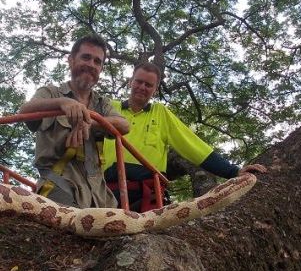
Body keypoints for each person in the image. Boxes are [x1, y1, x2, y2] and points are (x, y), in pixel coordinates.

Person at [103, 62, 266, 211]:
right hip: (104, 191)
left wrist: (233, 171)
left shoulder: (160, 113)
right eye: (139, 81)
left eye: (148, 84)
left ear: (155, 88)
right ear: (131, 81)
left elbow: (193, 146)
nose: (142, 87)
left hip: (146, 197)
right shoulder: (110, 107)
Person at [19, 34, 129, 209]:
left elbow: (124, 125)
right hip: (59, 185)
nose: (91, 65)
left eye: (97, 61)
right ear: (71, 60)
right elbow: (24, 111)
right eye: (86, 57)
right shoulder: (51, 93)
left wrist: (91, 121)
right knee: (70, 229)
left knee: (121, 230)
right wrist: (62, 103)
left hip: (100, 195)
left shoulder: (102, 103)